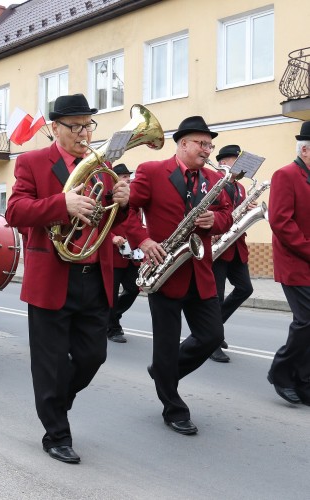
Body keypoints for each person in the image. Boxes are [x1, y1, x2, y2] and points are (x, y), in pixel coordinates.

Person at [6, 93, 130, 463]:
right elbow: (15, 210)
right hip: (52, 275)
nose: (83, 133)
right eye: (74, 126)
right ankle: (56, 433)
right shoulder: (31, 162)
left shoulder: (101, 166)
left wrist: (123, 203)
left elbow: (108, 220)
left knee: (94, 355)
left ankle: (58, 400)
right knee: (51, 361)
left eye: (87, 125)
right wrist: (63, 204)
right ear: (55, 128)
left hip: (94, 275)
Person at [128, 116, 233, 435]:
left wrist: (212, 221)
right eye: (202, 143)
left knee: (212, 336)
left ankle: (163, 372)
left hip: (199, 269)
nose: (207, 149)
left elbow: (227, 215)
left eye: (209, 144)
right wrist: (143, 240)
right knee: (166, 343)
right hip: (164, 269)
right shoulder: (150, 171)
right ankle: (173, 407)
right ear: (183, 143)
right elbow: (128, 211)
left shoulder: (214, 177)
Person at [267, 121, 310, 406]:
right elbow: (281, 221)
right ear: (305, 150)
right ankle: (281, 371)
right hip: (296, 263)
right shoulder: (286, 174)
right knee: (307, 321)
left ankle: (303, 380)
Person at [209, 145, 254, 363]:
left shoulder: (241, 188)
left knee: (245, 288)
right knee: (216, 296)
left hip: (236, 245)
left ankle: (214, 329)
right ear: (225, 163)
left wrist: (248, 209)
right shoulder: (215, 182)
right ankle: (212, 342)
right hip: (218, 246)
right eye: (238, 162)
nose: (242, 167)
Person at [107, 163, 142, 343]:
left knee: (135, 287)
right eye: (123, 176)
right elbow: (101, 223)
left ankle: (112, 316)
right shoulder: (110, 197)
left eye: (128, 176)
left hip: (132, 254)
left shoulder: (133, 197)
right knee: (111, 294)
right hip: (113, 254)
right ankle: (113, 328)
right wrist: (113, 237)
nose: (128, 179)